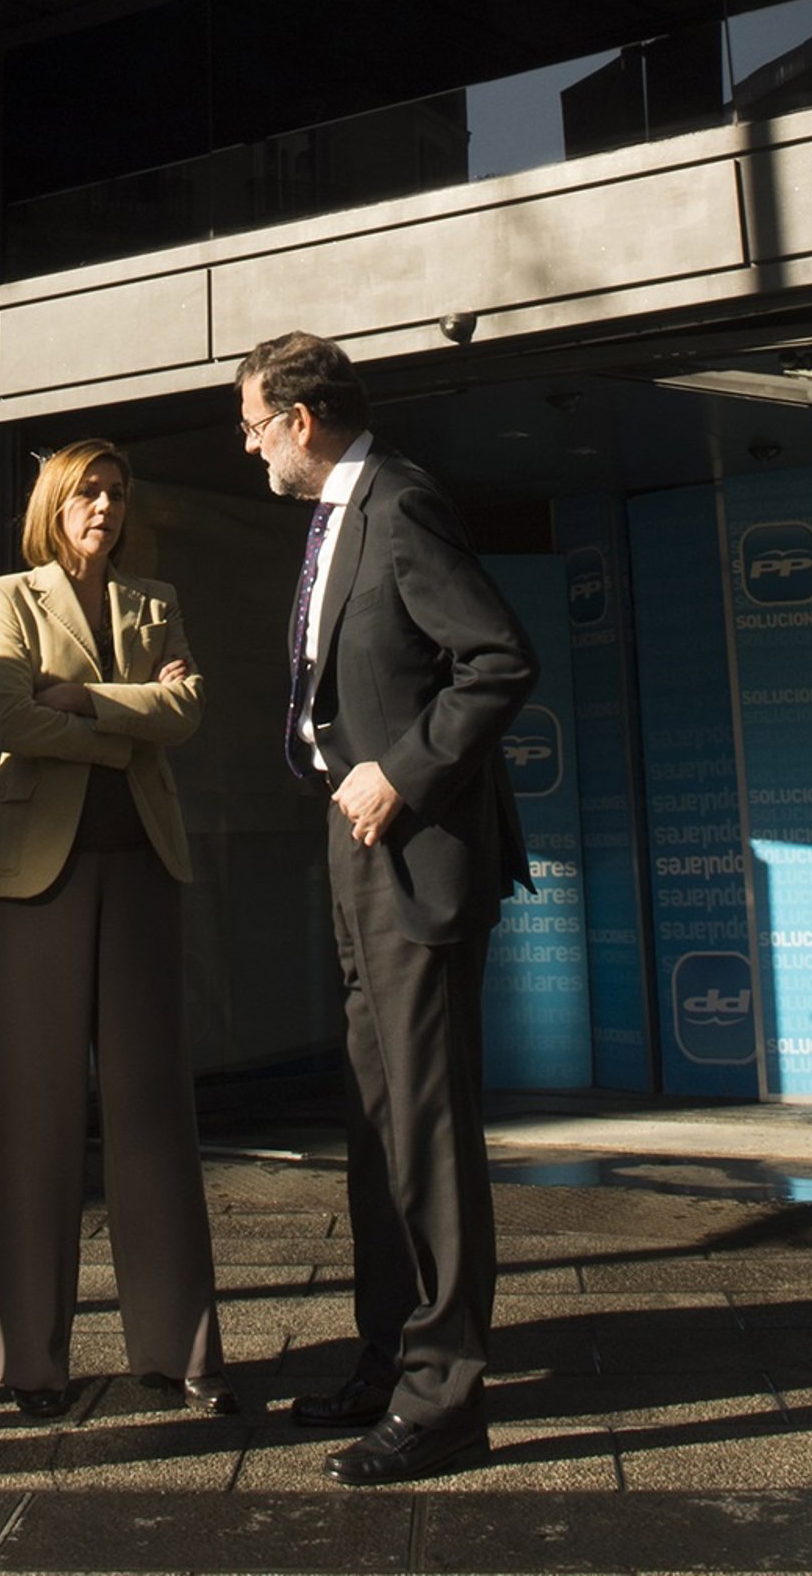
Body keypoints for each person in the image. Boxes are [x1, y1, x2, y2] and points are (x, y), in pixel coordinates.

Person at [235, 332, 535, 1486]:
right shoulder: (335, 518)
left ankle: (445, 1398)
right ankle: (387, 1358)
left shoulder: (401, 503)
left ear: (302, 418)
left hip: (415, 853)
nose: (250, 446)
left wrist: (402, 772)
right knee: (374, 1121)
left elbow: (497, 658)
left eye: (254, 425)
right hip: (357, 848)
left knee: (427, 1129)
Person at [0, 438, 232, 1421]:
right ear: (55, 501)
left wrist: (80, 698)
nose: (105, 507)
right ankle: (30, 1363)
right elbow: (11, 718)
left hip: (144, 865)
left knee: (153, 1111)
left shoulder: (154, 600)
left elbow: (187, 709)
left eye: (117, 492)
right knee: (32, 1114)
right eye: (88, 491)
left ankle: (180, 1349)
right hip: (38, 872)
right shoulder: (10, 597)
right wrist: (128, 724)